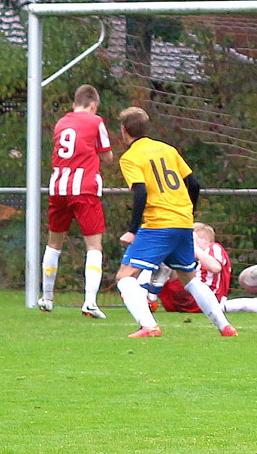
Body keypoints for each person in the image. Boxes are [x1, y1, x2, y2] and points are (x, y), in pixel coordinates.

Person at [112, 107, 237, 337]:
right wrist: (188, 213)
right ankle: (225, 326)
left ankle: (149, 326)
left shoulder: (130, 157)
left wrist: (132, 231)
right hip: (182, 222)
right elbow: (195, 183)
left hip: (158, 224)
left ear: (123, 131)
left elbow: (140, 192)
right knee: (189, 278)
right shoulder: (167, 150)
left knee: (124, 277)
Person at [38, 84, 113, 318]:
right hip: (84, 188)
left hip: (58, 186)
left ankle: (47, 297)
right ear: (93, 105)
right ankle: (90, 301)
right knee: (93, 245)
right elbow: (107, 156)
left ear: (74, 104)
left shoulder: (61, 123)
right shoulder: (95, 121)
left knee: (54, 243)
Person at [145, 223, 231, 313]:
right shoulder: (197, 259)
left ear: (205, 240)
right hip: (187, 302)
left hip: (206, 298)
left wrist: (194, 248)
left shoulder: (214, 247)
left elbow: (215, 267)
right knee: (164, 258)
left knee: (171, 255)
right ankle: (147, 296)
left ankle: (151, 296)